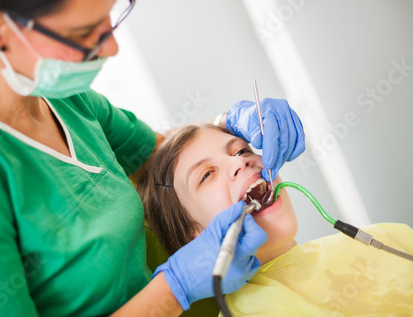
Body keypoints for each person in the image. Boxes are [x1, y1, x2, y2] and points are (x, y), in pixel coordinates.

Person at [0, 0, 305, 316]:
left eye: (112, 14)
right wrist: (175, 288)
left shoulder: (62, 96)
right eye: (86, 32)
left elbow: (164, 160)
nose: (113, 47)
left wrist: (230, 127)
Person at [138, 123, 413, 316]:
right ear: (193, 239)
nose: (240, 163)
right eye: (207, 175)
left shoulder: (390, 240)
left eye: (241, 150)